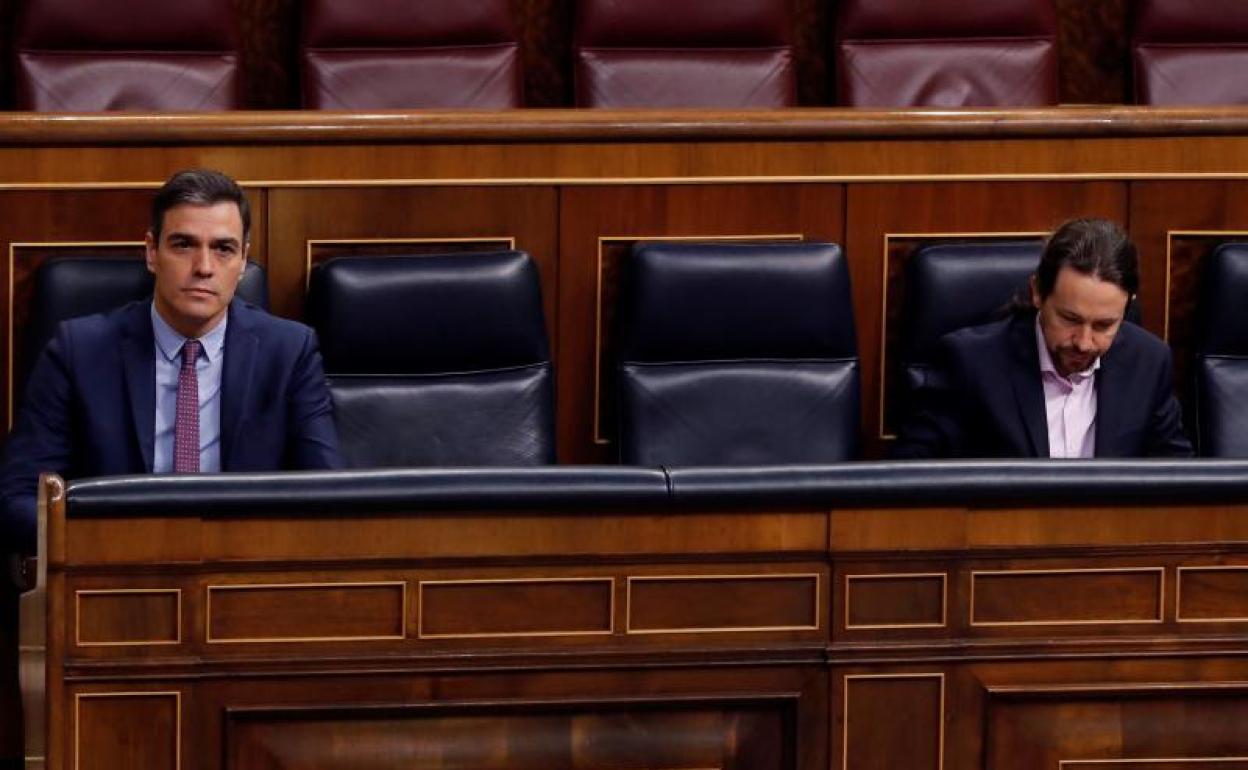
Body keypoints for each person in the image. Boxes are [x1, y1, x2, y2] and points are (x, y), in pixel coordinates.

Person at [0, 169, 342, 553]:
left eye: (223, 248)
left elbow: (327, 497)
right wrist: (114, 548)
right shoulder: (78, 351)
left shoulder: (289, 352)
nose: (204, 267)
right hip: (117, 569)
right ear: (151, 251)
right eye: (183, 245)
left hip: (242, 569)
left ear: (243, 260)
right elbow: (17, 500)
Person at [891, 218, 1194, 459]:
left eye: (1104, 325)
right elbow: (912, 477)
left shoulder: (1149, 362)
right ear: (1037, 292)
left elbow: (1177, 479)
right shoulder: (970, 363)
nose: (1084, 342)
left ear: (1127, 306)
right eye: (1070, 319)